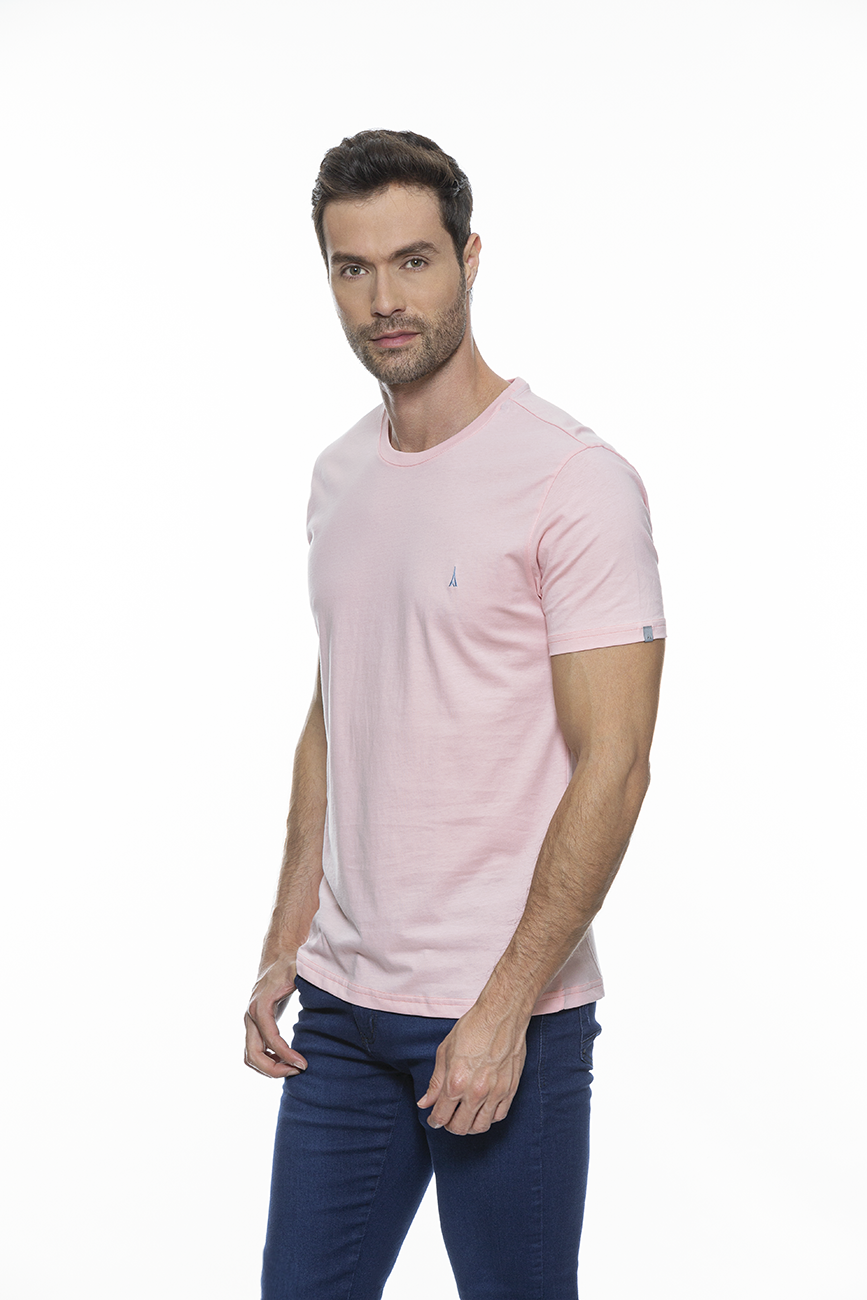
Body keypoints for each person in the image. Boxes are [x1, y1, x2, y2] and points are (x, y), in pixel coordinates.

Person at [244, 128, 666, 1300]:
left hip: (502, 1014)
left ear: (470, 259)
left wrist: (504, 1006)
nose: (384, 299)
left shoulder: (573, 479)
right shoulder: (339, 475)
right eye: (353, 267)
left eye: (414, 261)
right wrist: (286, 939)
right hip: (342, 1014)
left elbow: (617, 762)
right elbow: (337, 713)